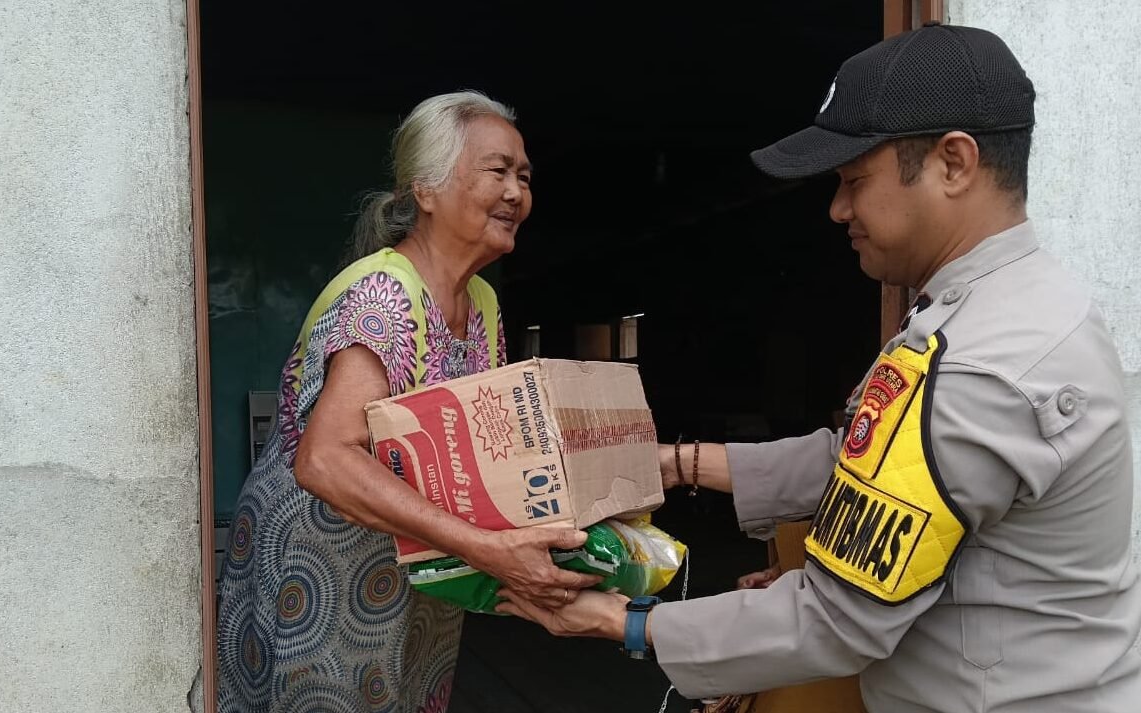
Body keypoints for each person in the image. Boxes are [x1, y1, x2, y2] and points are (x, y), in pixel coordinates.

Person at [498, 23, 1141, 713]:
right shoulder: (1012, 307)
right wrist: (674, 463)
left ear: (953, 163)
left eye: (852, 180)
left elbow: (835, 619)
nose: (837, 210)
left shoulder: (980, 365)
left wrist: (618, 618)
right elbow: (864, 460)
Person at [216, 91, 601, 713]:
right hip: (322, 573)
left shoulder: (482, 304)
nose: (516, 193)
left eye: (524, 177)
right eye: (497, 171)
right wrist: (483, 548)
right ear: (426, 189)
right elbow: (325, 460)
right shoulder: (384, 297)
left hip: (416, 568)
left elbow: (486, 446)